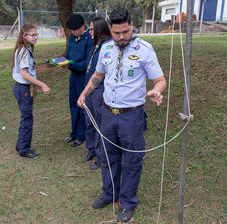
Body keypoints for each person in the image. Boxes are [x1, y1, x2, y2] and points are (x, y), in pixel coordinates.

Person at [77, 8, 167, 222]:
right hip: (107, 114)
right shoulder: (106, 48)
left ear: (132, 26)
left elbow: (160, 80)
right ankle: (110, 194)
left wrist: (157, 91)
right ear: (111, 30)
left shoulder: (145, 49)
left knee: (132, 161)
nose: (121, 37)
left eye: (125, 32)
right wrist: (84, 93)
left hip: (131, 117)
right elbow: (98, 75)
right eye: (117, 33)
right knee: (108, 156)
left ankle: (127, 203)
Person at [12, 24, 51, 158]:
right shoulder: (23, 51)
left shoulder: (25, 48)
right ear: (24, 35)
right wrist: (42, 84)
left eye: (36, 35)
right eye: (32, 35)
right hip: (23, 89)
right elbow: (24, 74)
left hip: (23, 88)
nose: (35, 37)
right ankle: (24, 149)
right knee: (27, 119)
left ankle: (20, 144)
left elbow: (29, 73)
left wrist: (36, 85)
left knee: (25, 118)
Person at [82, 17, 112, 170]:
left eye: (92, 29)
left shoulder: (108, 45)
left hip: (100, 89)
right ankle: (91, 150)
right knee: (89, 121)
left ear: (100, 29)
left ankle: (101, 156)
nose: (90, 31)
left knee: (99, 123)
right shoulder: (95, 44)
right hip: (90, 88)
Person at [63, 14, 93, 147]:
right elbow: (68, 55)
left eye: (75, 30)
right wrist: (63, 62)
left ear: (82, 27)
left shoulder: (89, 39)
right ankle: (73, 133)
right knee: (73, 105)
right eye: (71, 30)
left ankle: (82, 135)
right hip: (73, 76)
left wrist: (71, 64)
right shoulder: (71, 38)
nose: (72, 32)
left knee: (81, 105)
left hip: (83, 77)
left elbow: (88, 63)